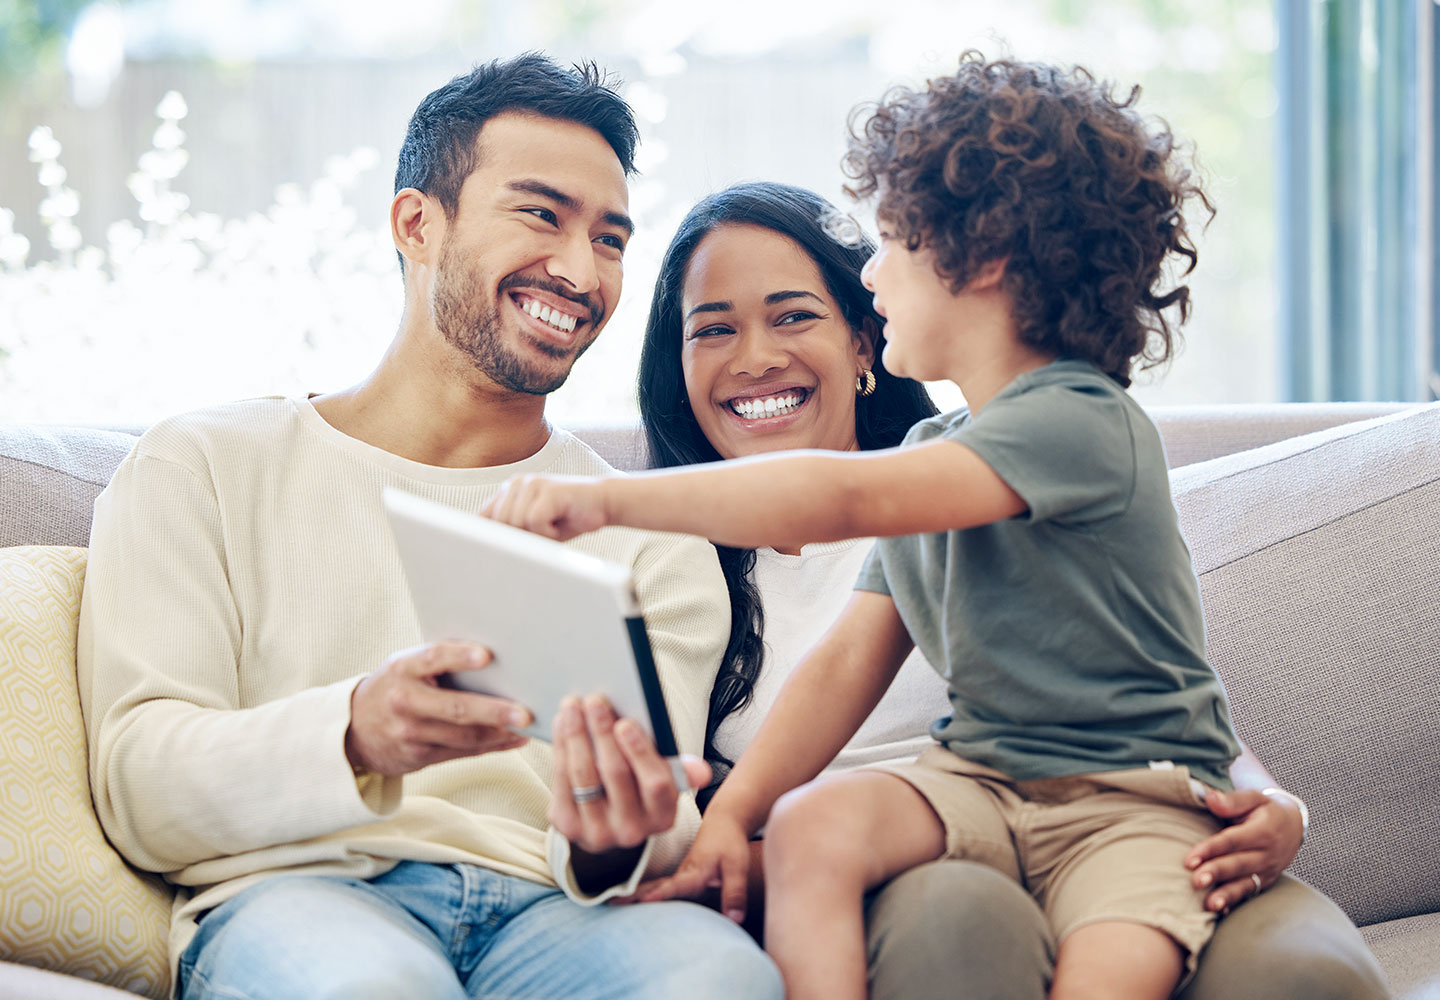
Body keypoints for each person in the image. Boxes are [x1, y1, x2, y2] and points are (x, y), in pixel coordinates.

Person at [482, 56, 1310, 1000]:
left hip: (1133, 801)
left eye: (889, 243)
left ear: (985, 258)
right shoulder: (934, 446)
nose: (870, 273)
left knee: (1106, 976)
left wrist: (605, 499)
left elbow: (845, 499)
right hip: (986, 779)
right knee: (811, 829)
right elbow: (845, 663)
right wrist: (731, 817)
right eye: (713, 328)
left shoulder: (1077, 422)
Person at [76, 54, 782, 1000]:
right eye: (542, 215)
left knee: (718, 981)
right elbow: (138, 785)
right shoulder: (201, 467)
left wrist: (621, 834)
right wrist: (356, 733)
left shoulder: (654, 537)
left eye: (610, 239)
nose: (581, 272)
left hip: (562, 916)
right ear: (417, 221)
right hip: (303, 896)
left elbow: (652, 832)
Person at [633, 180, 1390, 999]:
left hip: (1130, 826)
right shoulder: (669, 575)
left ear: (861, 343)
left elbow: (1156, 682)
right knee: (957, 920)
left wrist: (1269, 798)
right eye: (714, 330)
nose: (755, 357)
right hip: (922, 856)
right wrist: (736, 838)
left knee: (1302, 973)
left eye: (792, 316)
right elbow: (816, 691)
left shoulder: (1028, 451)